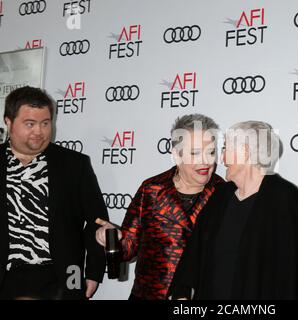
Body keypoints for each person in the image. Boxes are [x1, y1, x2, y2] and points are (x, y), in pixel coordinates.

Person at [169, 121, 298, 300]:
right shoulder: (220, 196)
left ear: (245, 153)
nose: (221, 158)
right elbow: (195, 251)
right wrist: (182, 292)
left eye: (225, 149)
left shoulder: (286, 200)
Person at [96, 114, 223, 300]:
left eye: (211, 152)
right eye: (195, 153)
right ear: (176, 155)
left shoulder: (224, 194)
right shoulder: (152, 190)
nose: (205, 161)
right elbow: (129, 247)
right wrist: (114, 238)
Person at [0, 86, 108, 300]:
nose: (39, 131)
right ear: (8, 122)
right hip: (5, 278)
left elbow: (98, 221)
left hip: (66, 277)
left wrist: (94, 272)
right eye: (30, 124)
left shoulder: (74, 165)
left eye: (45, 123)